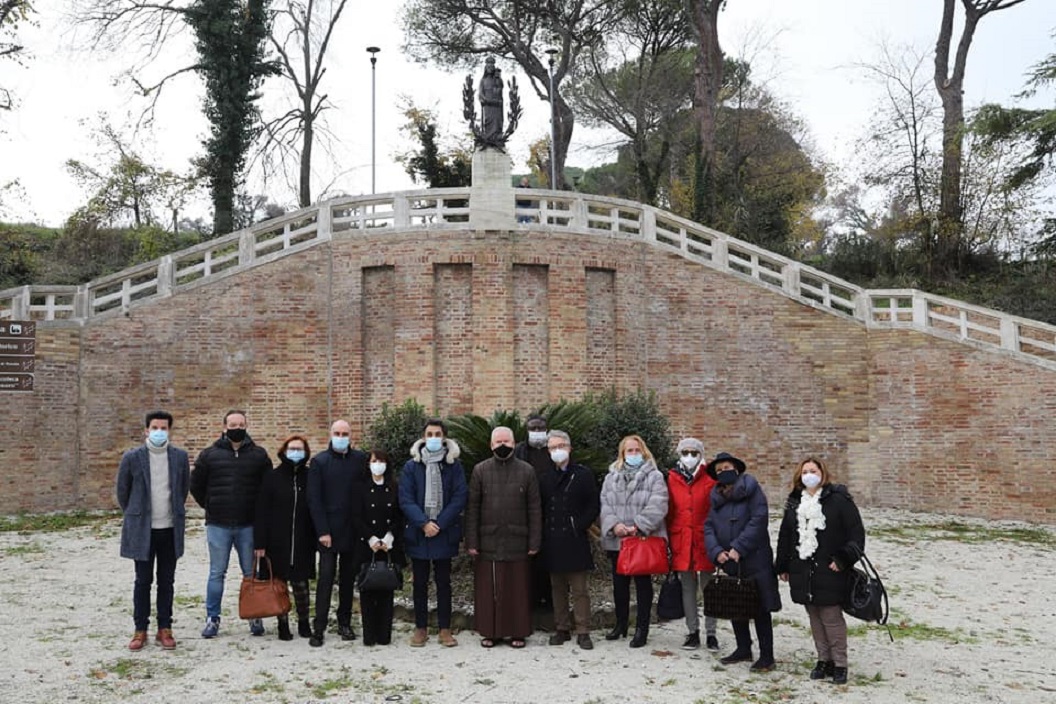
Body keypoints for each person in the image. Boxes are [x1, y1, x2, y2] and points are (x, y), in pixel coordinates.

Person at [775, 457, 865, 685]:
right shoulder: (795, 501)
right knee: (814, 615)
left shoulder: (839, 499)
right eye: (805, 471)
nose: (809, 475)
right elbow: (786, 534)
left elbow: (856, 533)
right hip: (802, 568)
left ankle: (840, 663)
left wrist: (844, 558)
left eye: (813, 470)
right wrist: (783, 565)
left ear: (822, 473)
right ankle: (823, 659)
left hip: (830, 567)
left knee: (831, 616)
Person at [190, 409, 272, 639]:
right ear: (225, 427)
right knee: (217, 572)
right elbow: (195, 485)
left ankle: (254, 614)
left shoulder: (258, 455)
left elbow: (266, 490)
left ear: (246, 426)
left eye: (241, 424)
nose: (237, 428)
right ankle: (212, 618)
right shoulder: (209, 455)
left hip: (248, 525)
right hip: (218, 524)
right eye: (233, 424)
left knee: (250, 573)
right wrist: (211, 505)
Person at [116, 410, 191, 651]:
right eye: (155, 428)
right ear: (146, 430)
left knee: (166, 582)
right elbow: (122, 492)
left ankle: (165, 628)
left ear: (170, 430)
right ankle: (140, 630)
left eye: (164, 428)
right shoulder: (132, 457)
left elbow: (182, 489)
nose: (159, 432)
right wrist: (137, 514)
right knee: (142, 581)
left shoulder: (179, 457)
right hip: (143, 530)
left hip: (169, 529)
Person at [466, 426, 542, 648]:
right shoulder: (480, 470)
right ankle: (490, 632)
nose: (502, 445)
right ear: (491, 445)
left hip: (518, 540)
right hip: (488, 540)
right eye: (498, 442)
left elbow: (535, 509)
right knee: (489, 591)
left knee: (517, 589)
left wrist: (534, 541)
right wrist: (472, 541)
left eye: (506, 442)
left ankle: (518, 632)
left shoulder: (527, 471)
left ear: (514, 443)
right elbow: (472, 509)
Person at [704, 451, 781, 672]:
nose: (723, 472)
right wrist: (717, 551)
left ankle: (767, 656)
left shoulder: (752, 489)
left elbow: (759, 519)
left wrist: (739, 547)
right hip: (728, 560)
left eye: (726, 468)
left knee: (760, 607)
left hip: (755, 558)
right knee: (735, 603)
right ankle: (743, 648)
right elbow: (709, 525)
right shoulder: (716, 496)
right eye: (719, 471)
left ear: (736, 469)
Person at [399, 419, 468, 647]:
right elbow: (406, 499)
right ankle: (420, 628)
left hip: (444, 532)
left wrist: (439, 522)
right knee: (419, 583)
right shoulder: (412, 466)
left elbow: (460, 496)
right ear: (423, 436)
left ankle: (445, 629)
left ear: (444, 437)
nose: (433, 437)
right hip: (419, 533)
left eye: (438, 434)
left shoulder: (453, 465)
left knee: (443, 582)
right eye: (429, 433)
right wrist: (423, 523)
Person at [599, 434, 669, 648]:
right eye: (629, 451)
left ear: (644, 452)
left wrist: (638, 525)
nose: (633, 454)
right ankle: (620, 624)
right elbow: (605, 503)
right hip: (619, 540)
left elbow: (659, 503)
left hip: (642, 539)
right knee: (619, 584)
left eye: (637, 450)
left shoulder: (654, 476)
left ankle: (642, 628)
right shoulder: (611, 477)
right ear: (622, 454)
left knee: (642, 585)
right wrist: (614, 525)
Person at [306, 419, 368, 646]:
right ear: (330, 434)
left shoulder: (360, 460)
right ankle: (319, 626)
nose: (341, 436)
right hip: (328, 532)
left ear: (351, 436)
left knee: (347, 580)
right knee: (325, 578)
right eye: (337, 433)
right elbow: (314, 499)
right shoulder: (320, 462)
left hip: (352, 531)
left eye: (345, 433)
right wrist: (322, 530)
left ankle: (345, 622)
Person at [539, 430, 600, 650]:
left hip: (575, 539)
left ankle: (583, 630)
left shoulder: (583, 474)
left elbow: (593, 504)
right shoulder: (545, 478)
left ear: (569, 448)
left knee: (579, 589)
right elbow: (542, 507)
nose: (557, 451)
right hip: (553, 539)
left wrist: (579, 525)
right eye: (553, 448)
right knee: (557, 588)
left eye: (561, 446)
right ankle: (562, 628)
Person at [253, 435, 316, 641]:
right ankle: (282, 623)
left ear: (305, 452)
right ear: (284, 451)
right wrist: (260, 542)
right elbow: (261, 511)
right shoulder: (272, 477)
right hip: (277, 540)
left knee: (301, 584)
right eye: (292, 448)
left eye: (299, 449)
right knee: (279, 584)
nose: (295, 452)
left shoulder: (310, 476)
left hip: (302, 538)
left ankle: (304, 621)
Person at [666, 437, 720, 651]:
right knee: (687, 588)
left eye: (694, 452)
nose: (689, 456)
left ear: (701, 454)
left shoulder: (711, 478)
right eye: (685, 452)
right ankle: (692, 631)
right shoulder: (671, 477)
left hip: (706, 537)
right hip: (681, 538)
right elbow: (669, 510)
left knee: (709, 588)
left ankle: (712, 632)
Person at [353, 450, 405, 646]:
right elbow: (356, 516)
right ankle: (369, 635)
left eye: (381, 461)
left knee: (386, 590)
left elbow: (399, 515)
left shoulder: (394, 487)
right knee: (367, 590)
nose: (378, 464)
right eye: (375, 461)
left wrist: (389, 537)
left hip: (388, 545)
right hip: (368, 545)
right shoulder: (360, 488)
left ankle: (384, 635)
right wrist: (371, 538)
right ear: (368, 464)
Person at [515, 413, 553, 610]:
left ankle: (548, 601)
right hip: (526, 513)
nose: (537, 432)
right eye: (533, 429)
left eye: (540, 429)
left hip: (550, 512)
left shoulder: (553, 451)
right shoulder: (519, 452)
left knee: (548, 559)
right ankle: (530, 601)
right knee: (528, 560)